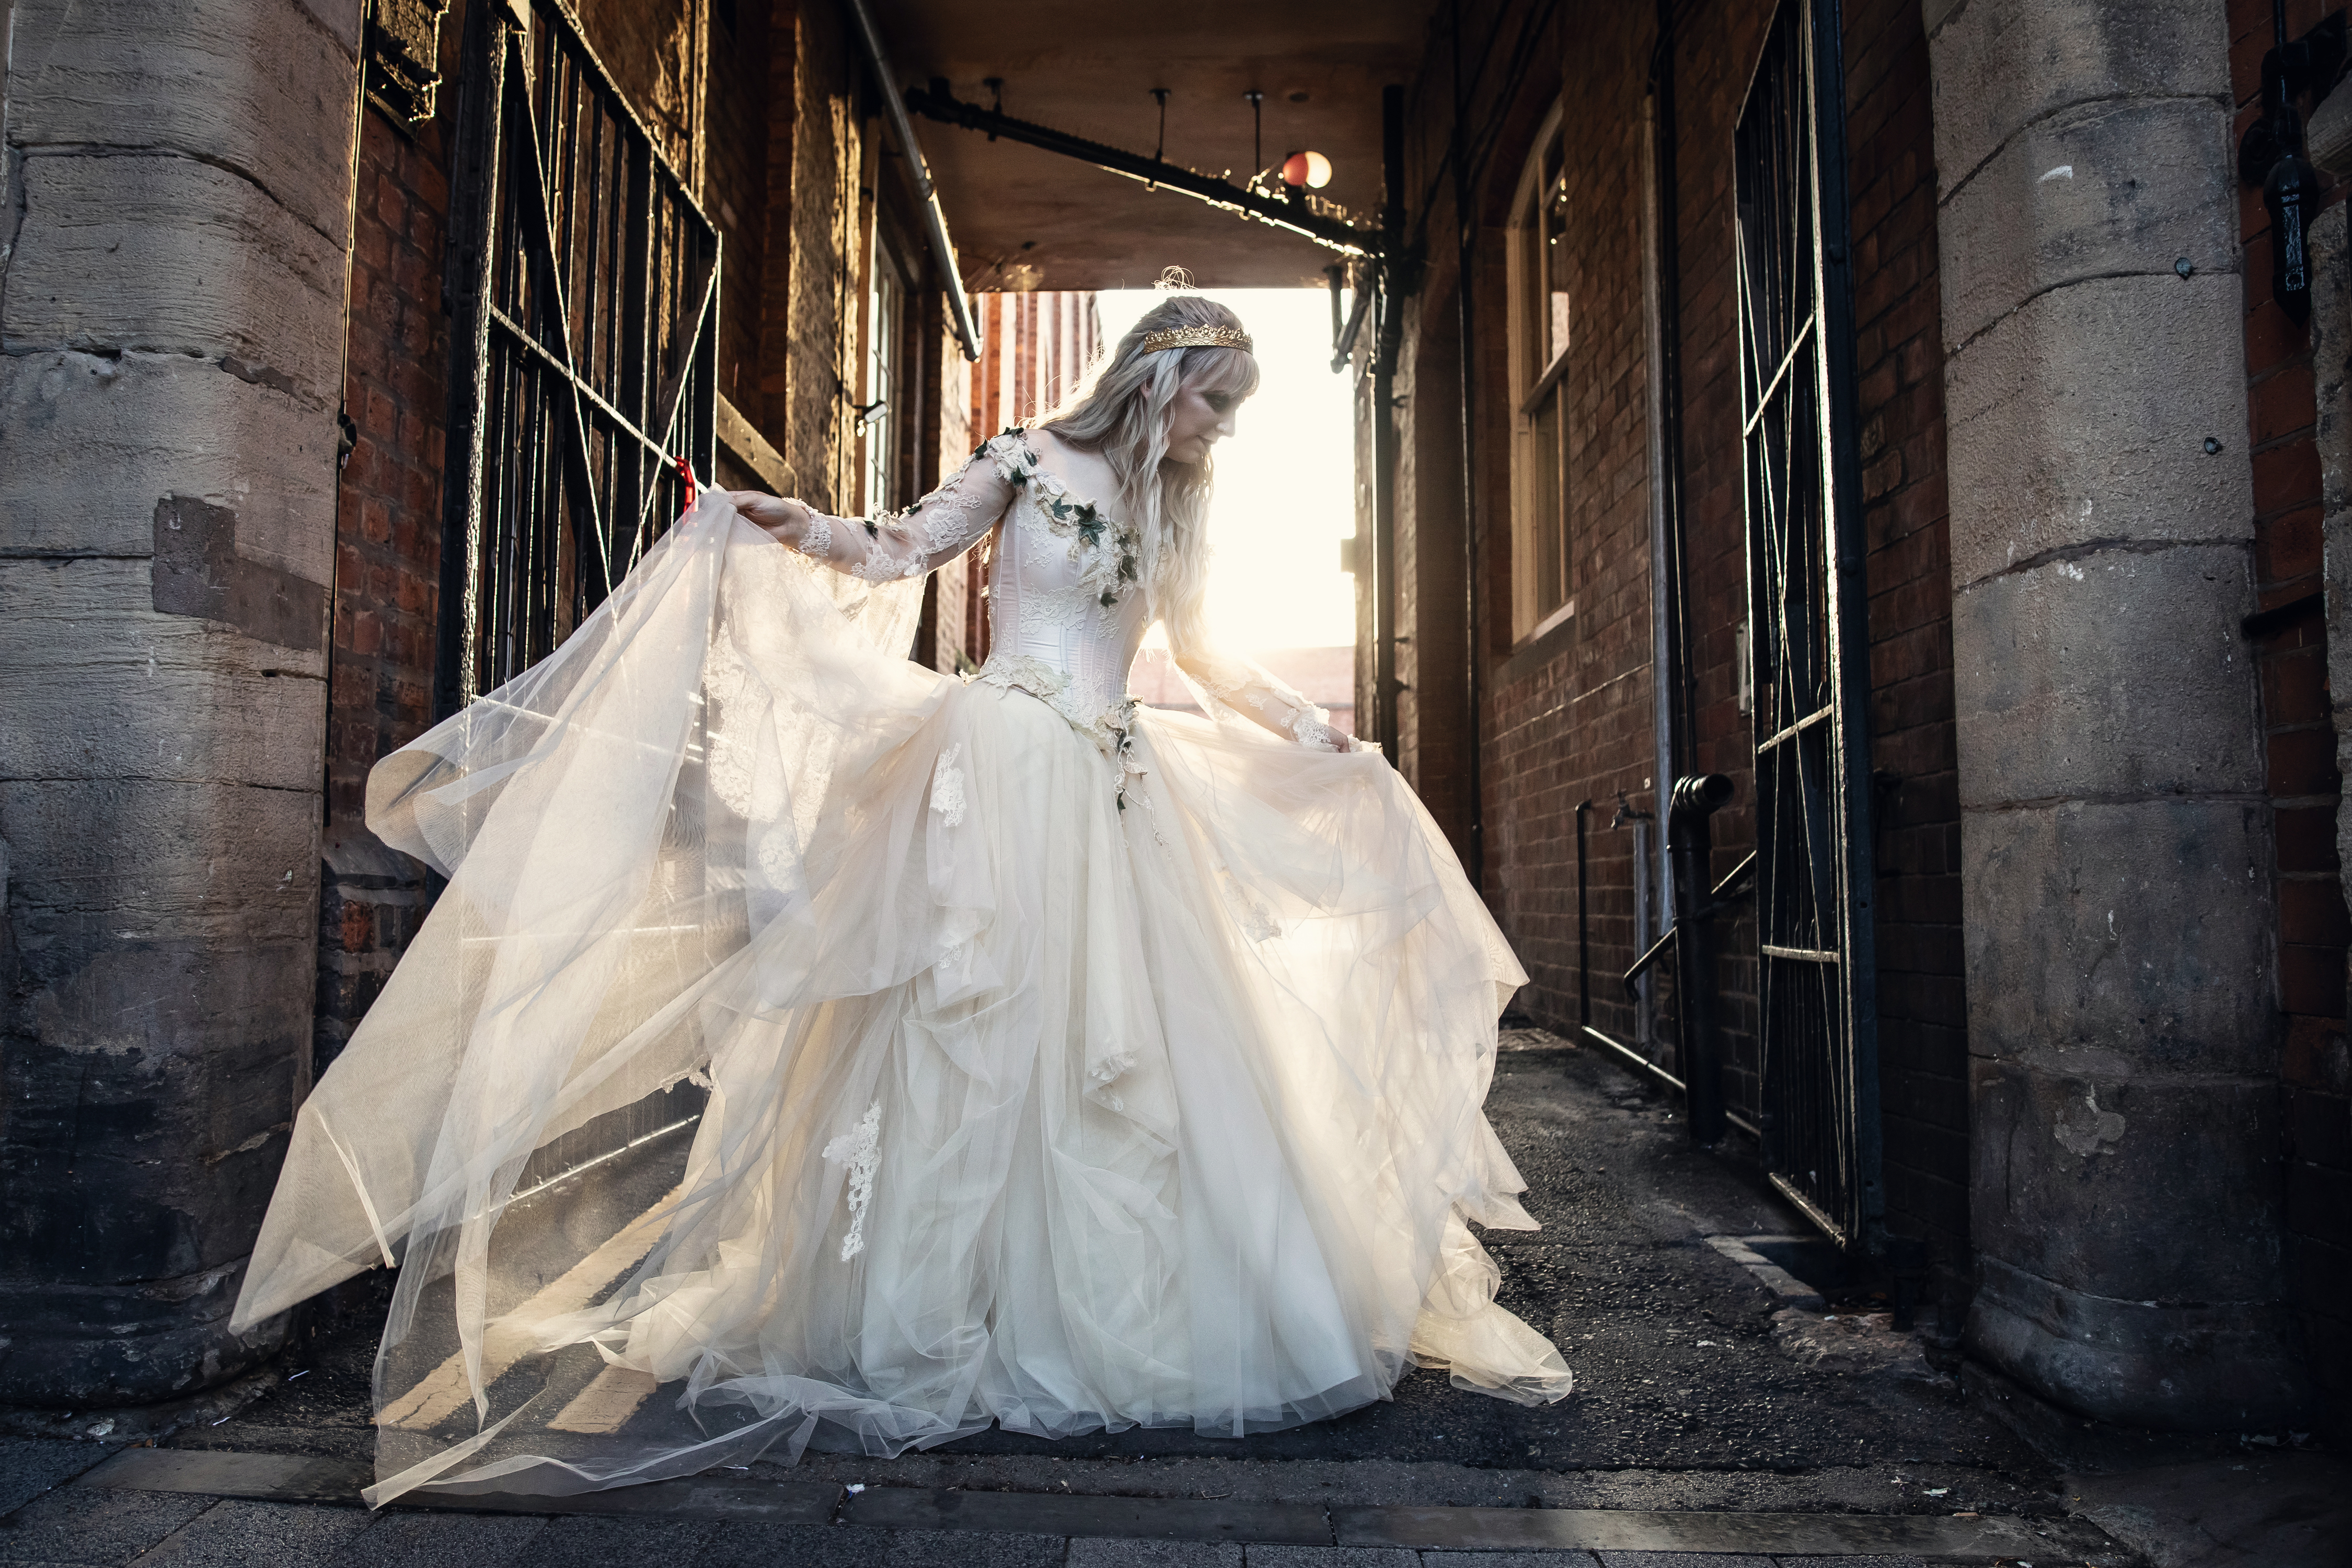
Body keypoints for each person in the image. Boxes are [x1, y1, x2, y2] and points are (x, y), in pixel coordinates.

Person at [230, 285, 1572, 1507]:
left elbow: (1205, 653)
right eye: (1216, 401)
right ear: (1161, 376)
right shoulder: (1024, 458)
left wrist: (1306, 727)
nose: (1221, 430)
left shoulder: (1179, 506)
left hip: (1110, 791)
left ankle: (1123, 1309)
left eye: (1232, 411)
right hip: (994, 770)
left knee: (1131, 1054)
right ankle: (923, 1310)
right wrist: (795, 526)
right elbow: (901, 548)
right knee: (959, 1031)